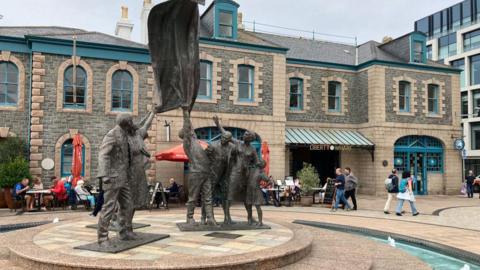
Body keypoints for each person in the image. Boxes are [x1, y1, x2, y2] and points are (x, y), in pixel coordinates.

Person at [97, 113, 137, 245]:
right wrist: (104, 175)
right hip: (112, 178)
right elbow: (103, 155)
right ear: (127, 123)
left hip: (124, 178)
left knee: (129, 205)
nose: (132, 123)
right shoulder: (112, 134)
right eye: (131, 121)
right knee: (108, 207)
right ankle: (102, 238)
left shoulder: (126, 135)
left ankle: (123, 231)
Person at [180, 108, 217, 226]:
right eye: (189, 131)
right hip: (196, 173)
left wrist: (209, 153)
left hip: (206, 172)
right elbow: (187, 126)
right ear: (186, 135)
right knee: (193, 197)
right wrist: (185, 112)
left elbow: (189, 126)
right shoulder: (188, 143)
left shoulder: (195, 140)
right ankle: (189, 217)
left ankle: (210, 218)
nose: (192, 131)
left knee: (208, 196)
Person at [129, 111, 155, 210]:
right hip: (130, 168)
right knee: (130, 191)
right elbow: (143, 123)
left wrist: (153, 113)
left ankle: (138, 204)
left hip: (138, 168)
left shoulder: (138, 134)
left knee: (140, 190)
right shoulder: (125, 136)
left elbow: (146, 124)